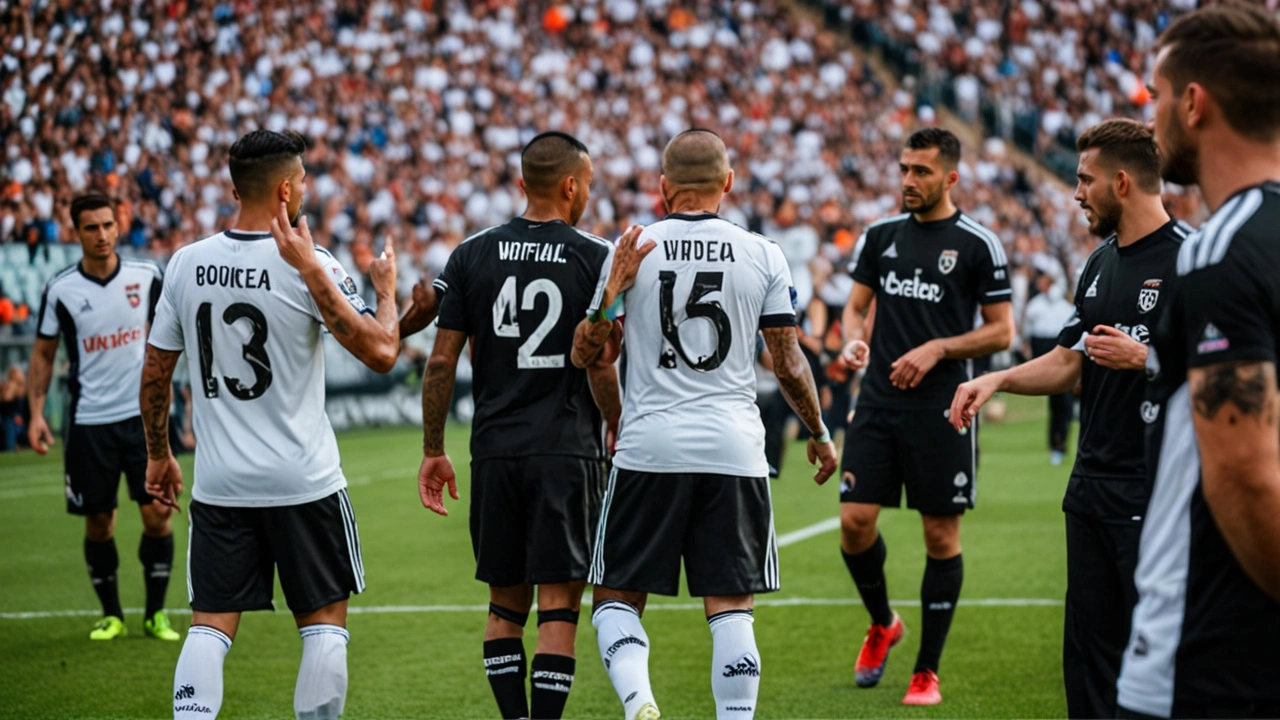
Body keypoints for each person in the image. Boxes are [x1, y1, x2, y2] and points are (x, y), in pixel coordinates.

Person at [572, 129, 838, 720]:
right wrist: (818, 433)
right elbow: (788, 362)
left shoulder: (631, 249)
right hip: (735, 448)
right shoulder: (763, 252)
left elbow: (587, 353)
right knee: (731, 608)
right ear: (729, 183)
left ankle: (640, 702)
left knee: (615, 597)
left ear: (662, 187)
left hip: (650, 447)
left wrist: (610, 293)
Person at [140, 129, 401, 719]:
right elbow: (383, 353)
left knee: (209, 626)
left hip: (221, 483)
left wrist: (158, 453)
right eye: (304, 179)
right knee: (324, 626)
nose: (307, 187)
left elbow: (156, 375)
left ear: (237, 187)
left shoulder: (184, 263)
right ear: (286, 190)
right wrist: (385, 291)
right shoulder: (311, 263)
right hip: (303, 480)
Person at [950, 118, 1188, 719]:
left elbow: (1234, 372)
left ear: (1123, 182)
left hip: (1157, 489)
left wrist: (1148, 358)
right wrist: (998, 377)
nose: (1076, 192)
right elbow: (1067, 362)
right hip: (1090, 488)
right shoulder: (1098, 262)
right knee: (1086, 656)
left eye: (1086, 180)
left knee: (1162, 657)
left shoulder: (1192, 260)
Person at [414, 131, 624, 720]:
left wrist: (434, 448)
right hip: (567, 449)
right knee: (558, 608)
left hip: (495, 449)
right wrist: (617, 422)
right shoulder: (596, 256)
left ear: (520, 183)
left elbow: (441, 361)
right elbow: (602, 362)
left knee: (504, 607)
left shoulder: (471, 253)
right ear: (571, 185)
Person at [1117, 6, 1280, 718]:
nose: (1151, 121)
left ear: (1194, 102)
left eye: (1155, 97)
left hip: (1212, 650)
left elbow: (1246, 478)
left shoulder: (1217, 252)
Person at [836, 127, 1014, 706]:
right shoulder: (880, 236)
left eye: (922, 172)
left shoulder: (977, 244)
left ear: (951, 177)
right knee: (855, 522)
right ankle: (883, 622)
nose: (909, 181)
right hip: (879, 404)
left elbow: (1002, 330)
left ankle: (926, 670)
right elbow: (857, 305)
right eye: (905, 169)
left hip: (945, 408)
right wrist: (852, 342)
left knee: (940, 536)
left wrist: (940, 348)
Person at [25, 193, 178, 642]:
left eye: (108, 225)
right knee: (100, 522)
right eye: (91, 228)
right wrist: (36, 414)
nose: (102, 235)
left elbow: (173, 334)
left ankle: (156, 615)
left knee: (158, 517)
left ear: (119, 225)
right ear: (76, 232)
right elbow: (43, 354)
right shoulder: (60, 289)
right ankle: (111, 614)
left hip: (141, 420)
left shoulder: (147, 276)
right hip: (89, 424)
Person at [1019, 271, 1077, 466]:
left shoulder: (1064, 306)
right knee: (1056, 405)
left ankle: (1059, 445)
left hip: (1058, 347)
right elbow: (1027, 331)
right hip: (1042, 347)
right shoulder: (1036, 306)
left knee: (1063, 403)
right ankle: (1055, 443)